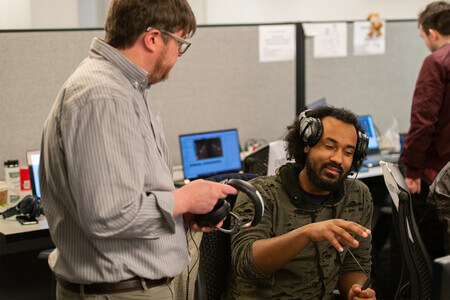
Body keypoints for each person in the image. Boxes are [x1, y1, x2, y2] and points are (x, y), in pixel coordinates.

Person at [39, 0, 236, 299]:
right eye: (179, 44)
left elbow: (129, 198)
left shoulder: (125, 88)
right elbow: (108, 215)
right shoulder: (104, 96)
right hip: (119, 291)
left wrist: (180, 212)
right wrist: (184, 198)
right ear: (153, 38)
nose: (178, 56)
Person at [225, 106, 376, 300]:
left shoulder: (357, 196)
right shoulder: (261, 193)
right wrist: (307, 233)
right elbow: (246, 264)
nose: (338, 159)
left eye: (348, 152)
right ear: (307, 144)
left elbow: (355, 264)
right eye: (329, 147)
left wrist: (355, 290)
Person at [401, 1, 450, 199]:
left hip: (441, 171)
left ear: (433, 33)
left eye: (423, 37)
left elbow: (424, 120)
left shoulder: (437, 62)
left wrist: (412, 169)